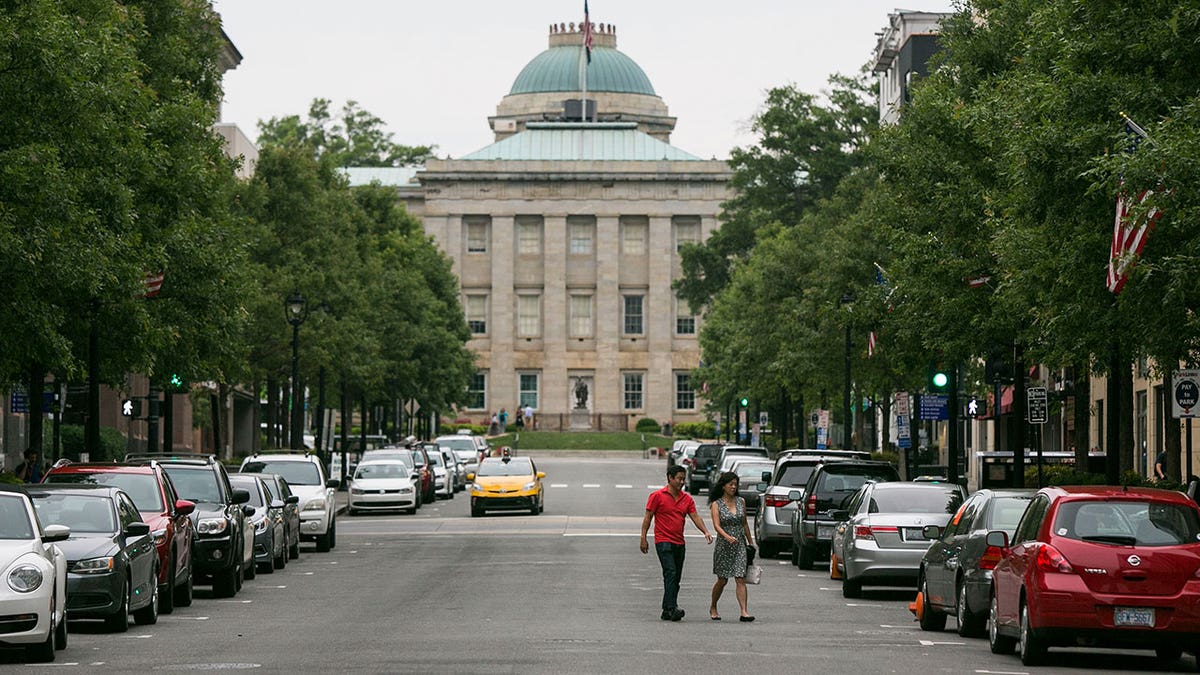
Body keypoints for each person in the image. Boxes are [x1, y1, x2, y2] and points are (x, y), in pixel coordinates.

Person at [640, 465, 713, 621]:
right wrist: (643, 537)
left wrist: (705, 531)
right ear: (670, 478)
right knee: (671, 573)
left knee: (675, 577)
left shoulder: (686, 499)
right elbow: (648, 517)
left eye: (683, 479)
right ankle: (672, 607)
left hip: (679, 543)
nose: (681, 482)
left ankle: (667, 609)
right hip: (663, 541)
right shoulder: (657, 496)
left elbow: (695, 517)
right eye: (679, 478)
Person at [707, 471, 755, 622]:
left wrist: (750, 542)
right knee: (722, 580)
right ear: (723, 486)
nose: (734, 487)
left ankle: (744, 611)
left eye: (736, 484)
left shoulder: (741, 501)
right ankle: (713, 606)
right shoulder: (716, 504)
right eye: (731, 484)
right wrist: (727, 537)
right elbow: (716, 525)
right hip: (724, 545)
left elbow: (744, 523)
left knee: (740, 578)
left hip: (740, 544)